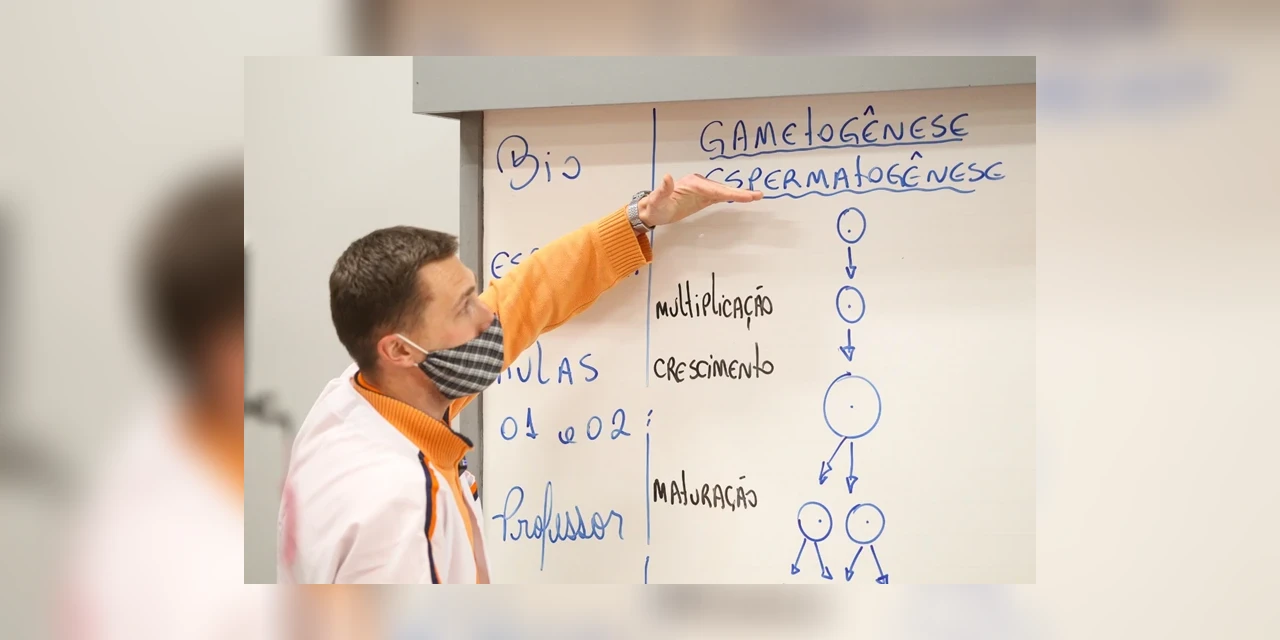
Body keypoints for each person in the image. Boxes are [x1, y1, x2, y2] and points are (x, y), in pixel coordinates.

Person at [278, 173, 763, 583]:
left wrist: (641, 218)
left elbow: (530, 294)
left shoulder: (365, 398)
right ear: (400, 350)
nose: (488, 316)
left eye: (474, 294)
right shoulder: (397, 508)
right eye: (464, 308)